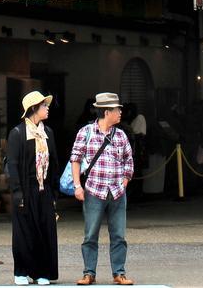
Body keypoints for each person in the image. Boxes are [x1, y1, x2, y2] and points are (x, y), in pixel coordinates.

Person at [70, 92, 135, 286]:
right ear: (107, 112)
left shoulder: (121, 135)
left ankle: (119, 273)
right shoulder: (86, 132)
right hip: (93, 191)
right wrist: (77, 186)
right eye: (117, 110)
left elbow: (128, 162)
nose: (120, 113)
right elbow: (75, 159)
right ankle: (89, 273)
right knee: (90, 235)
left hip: (117, 193)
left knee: (119, 235)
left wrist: (124, 181)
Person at [6, 90, 60, 286]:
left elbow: (54, 162)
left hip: (44, 189)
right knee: (24, 231)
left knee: (45, 229)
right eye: (44, 105)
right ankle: (21, 271)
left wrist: (54, 190)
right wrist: (17, 192)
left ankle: (41, 272)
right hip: (25, 189)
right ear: (34, 109)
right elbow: (12, 165)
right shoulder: (18, 133)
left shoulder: (49, 133)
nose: (47, 108)